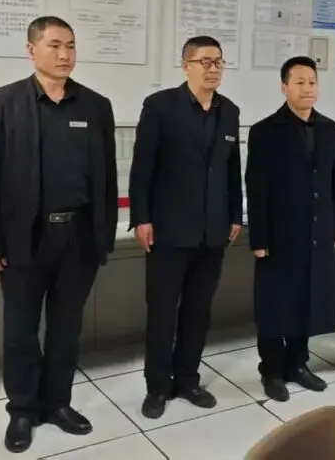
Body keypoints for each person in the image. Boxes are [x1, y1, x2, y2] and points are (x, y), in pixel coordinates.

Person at [0, 16, 118, 453]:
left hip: (79, 237)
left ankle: (57, 402)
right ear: (31, 50)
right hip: (24, 239)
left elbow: (107, 178)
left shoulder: (95, 106)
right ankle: (21, 409)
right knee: (20, 329)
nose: (64, 54)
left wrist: (104, 237)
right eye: (54, 45)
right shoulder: (0, 103)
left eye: (70, 45)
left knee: (66, 327)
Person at [130, 35, 242, 419]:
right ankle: (157, 386)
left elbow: (231, 170)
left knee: (198, 310)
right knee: (162, 313)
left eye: (218, 62)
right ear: (186, 66)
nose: (213, 69)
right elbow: (142, 167)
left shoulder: (229, 111)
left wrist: (234, 216)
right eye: (204, 62)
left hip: (213, 231)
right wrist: (141, 218)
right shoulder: (160, 106)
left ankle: (188, 379)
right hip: (168, 229)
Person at [245, 56, 335, 401]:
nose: (307, 88)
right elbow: (257, 188)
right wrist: (259, 238)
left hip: (316, 232)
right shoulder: (265, 131)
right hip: (278, 233)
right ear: (284, 87)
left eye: (312, 82)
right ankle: (271, 369)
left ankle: (298, 363)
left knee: (306, 300)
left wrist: (333, 228)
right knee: (274, 304)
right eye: (299, 82)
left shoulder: (330, 129)